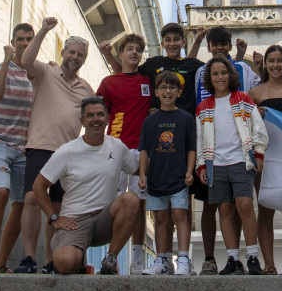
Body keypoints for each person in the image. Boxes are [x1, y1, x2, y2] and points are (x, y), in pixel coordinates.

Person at [10, 20, 95, 274]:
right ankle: (28, 258)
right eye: (71, 52)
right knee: (32, 199)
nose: (75, 57)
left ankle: (49, 260)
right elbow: (26, 61)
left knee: (56, 209)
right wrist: (45, 31)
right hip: (40, 146)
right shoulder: (46, 72)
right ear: (63, 54)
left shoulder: (86, 89)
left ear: (84, 59)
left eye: (80, 54)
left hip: (69, 154)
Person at [31, 97, 142, 275]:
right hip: (75, 221)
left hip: (106, 219)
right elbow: (38, 186)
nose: (95, 119)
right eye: (90, 115)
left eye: (100, 114)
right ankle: (78, 259)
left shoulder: (117, 147)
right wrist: (53, 218)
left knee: (131, 199)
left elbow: (138, 169)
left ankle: (110, 259)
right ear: (82, 121)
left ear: (107, 118)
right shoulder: (67, 151)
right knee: (64, 263)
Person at [192, 26, 259, 274]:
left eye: (223, 44)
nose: (219, 77)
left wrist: (257, 153)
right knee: (223, 208)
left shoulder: (243, 86)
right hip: (213, 156)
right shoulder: (201, 75)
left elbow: (258, 93)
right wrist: (201, 163)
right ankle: (231, 258)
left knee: (244, 204)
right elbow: (200, 127)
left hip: (240, 156)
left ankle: (252, 256)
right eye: (214, 44)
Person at [0, 24, 35, 274]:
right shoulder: (1, 68)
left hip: (23, 147)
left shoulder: (36, 73)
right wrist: (5, 59)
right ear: (13, 41)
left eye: (29, 39)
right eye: (20, 39)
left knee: (21, 202)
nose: (24, 43)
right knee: (0, 192)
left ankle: (1, 263)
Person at [95, 33, 152, 273]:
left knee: (139, 203)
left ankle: (137, 260)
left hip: (142, 151)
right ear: (121, 53)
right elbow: (97, 115)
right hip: (114, 148)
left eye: (138, 49)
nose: (135, 52)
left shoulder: (148, 81)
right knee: (113, 203)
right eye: (130, 48)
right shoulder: (108, 83)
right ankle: (112, 258)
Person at [249, 44, 282, 275]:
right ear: (266, 64)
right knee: (266, 208)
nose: (275, 65)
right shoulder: (255, 94)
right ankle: (269, 265)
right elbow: (247, 127)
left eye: (279, 60)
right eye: (271, 61)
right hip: (266, 157)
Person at [138, 71, 197, 275]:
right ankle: (162, 260)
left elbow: (191, 148)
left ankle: (183, 259)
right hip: (156, 178)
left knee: (180, 214)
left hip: (179, 178)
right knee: (161, 218)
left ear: (179, 92)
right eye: (163, 87)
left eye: (172, 87)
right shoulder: (150, 121)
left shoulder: (187, 119)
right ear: (156, 92)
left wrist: (190, 171)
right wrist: (143, 174)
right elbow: (144, 150)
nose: (168, 91)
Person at [101, 22, 205, 115]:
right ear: (162, 44)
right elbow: (125, 74)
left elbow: (215, 69)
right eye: (168, 40)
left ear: (183, 43)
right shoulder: (154, 63)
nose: (172, 44)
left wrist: (198, 41)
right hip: (157, 125)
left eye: (176, 39)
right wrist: (108, 55)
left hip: (184, 125)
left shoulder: (193, 65)